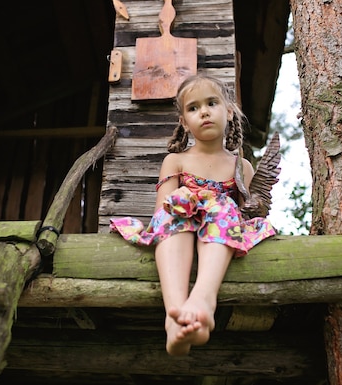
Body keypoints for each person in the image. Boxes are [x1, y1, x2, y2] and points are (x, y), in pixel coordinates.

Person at [110, 75, 275, 356]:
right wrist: (183, 198)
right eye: (193, 108)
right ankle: (173, 317)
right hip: (178, 227)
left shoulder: (242, 166)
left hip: (220, 233)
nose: (204, 112)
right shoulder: (176, 160)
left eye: (212, 103)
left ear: (229, 111)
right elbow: (161, 210)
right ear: (185, 122)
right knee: (175, 208)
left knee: (222, 206)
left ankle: (202, 301)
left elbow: (242, 214)